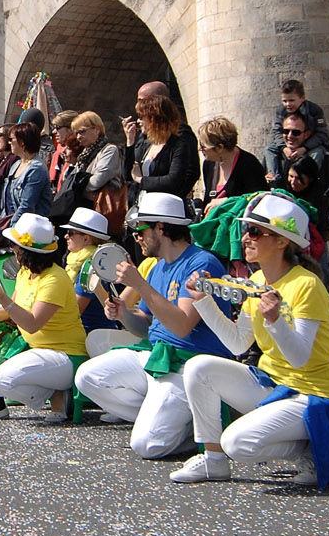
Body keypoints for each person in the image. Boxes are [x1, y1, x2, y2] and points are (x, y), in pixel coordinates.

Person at [169, 192, 329, 488]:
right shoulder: (256, 283)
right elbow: (239, 344)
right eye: (246, 231)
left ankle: (313, 448)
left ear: (282, 241)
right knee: (198, 367)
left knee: (237, 443)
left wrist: (275, 321)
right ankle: (213, 460)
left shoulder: (307, 284)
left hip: (313, 393)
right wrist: (203, 301)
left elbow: (300, 359)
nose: (246, 238)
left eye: (255, 231)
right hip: (273, 383)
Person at [73, 193, 231, 458]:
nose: (136, 237)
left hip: (189, 366)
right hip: (158, 357)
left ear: (161, 228)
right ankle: (182, 421)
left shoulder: (201, 263)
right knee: (87, 377)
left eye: (140, 230)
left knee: (147, 446)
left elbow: (181, 326)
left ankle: (196, 430)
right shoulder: (159, 268)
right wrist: (124, 314)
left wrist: (140, 285)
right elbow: (146, 326)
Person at [0, 213, 89, 420]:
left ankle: (56, 394)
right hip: (34, 348)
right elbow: (14, 309)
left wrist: (1, 298)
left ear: (27, 251)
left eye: (14, 246)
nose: (12, 250)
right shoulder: (25, 272)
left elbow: (32, 324)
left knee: (1, 380)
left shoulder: (55, 279)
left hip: (64, 355)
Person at [51, 111, 128, 235]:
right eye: (76, 133)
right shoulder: (84, 155)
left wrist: (78, 187)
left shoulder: (109, 150)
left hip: (102, 212)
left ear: (97, 129)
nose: (79, 137)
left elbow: (97, 181)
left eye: (82, 131)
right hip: (84, 215)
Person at [0, 112, 52, 239]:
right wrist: (1, 225)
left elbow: (27, 206)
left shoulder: (36, 169)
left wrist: (11, 231)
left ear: (22, 142)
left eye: (11, 139)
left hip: (29, 231)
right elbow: (8, 204)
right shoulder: (16, 165)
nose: (9, 143)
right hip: (12, 227)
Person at [129, 91, 195, 205]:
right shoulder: (148, 143)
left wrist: (141, 180)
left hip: (166, 208)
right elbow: (128, 174)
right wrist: (130, 141)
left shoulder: (179, 144)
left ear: (154, 118)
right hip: (143, 205)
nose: (138, 121)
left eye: (141, 117)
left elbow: (173, 180)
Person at [60, 207, 116, 333]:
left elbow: (73, 312)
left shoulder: (91, 267)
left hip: (91, 338)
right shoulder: (77, 262)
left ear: (86, 239)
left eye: (70, 232)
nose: (65, 236)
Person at [197, 117, 269, 207]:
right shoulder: (209, 164)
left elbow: (260, 198)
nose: (200, 149)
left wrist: (228, 201)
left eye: (203, 146)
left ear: (220, 147)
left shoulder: (248, 163)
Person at [266, 107, 329, 192]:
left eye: (296, 132)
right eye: (286, 131)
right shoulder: (273, 157)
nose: (290, 136)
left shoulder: (324, 161)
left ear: (307, 134)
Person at [268, 78, 329, 158]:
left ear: (302, 98)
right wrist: (284, 148)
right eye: (284, 101)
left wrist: (304, 148)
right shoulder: (281, 111)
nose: (288, 104)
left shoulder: (314, 110)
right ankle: (272, 171)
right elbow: (277, 131)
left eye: (291, 100)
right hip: (287, 144)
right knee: (270, 149)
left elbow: (322, 133)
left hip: (310, 144)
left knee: (318, 152)